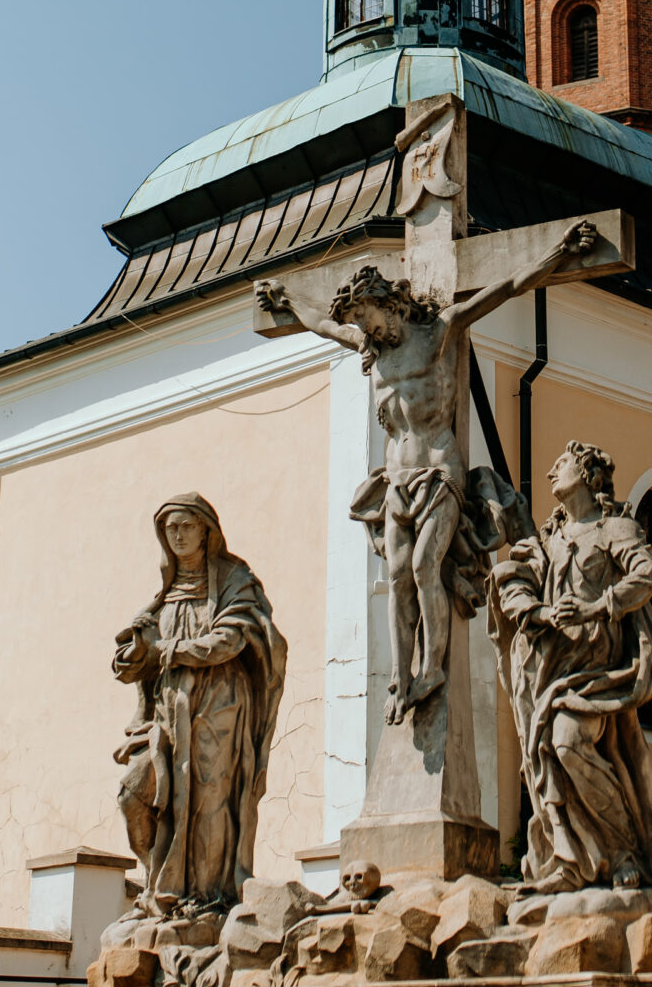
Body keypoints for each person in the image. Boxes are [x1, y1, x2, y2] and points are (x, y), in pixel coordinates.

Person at [255, 220, 597, 723]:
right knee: (397, 576)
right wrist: (285, 301)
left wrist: (559, 252)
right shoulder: (372, 349)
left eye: (371, 320)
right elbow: (321, 325)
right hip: (396, 481)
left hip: (439, 473)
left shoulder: (439, 332)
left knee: (422, 567)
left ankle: (432, 668)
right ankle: (401, 676)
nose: (369, 332)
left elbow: (507, 286)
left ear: (389, 304)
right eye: (362, 326)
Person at [491, 440, 652, 893]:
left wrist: (597, 607)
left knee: (567, 741)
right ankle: (569, 860)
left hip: (598, 669)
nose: (551, 471)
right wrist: (540, 612)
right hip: (550, 668)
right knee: (546, 758)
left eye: (563, 463)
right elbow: (516, 584)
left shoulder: (614, 528)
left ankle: (622, 852)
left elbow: (648, 574)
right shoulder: (550, 539)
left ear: (589, 476)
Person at [111, 494, 286, 922]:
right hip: (169, 711)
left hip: (219, 702)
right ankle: (158, 887)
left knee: (209, 799)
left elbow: (232, 637)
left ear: (207, 531)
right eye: (170, 528)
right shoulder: (165, 594)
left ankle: (208, 899)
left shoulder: (233, 580)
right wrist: (137, 651)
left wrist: (168, 649)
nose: (178, 535)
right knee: (137, 794)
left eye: (187, 526)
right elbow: (139, 659)